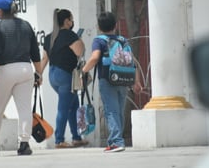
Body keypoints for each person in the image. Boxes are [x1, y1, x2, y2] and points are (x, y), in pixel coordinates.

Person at [0, 0, 42, 156]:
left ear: (0, 11)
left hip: (6, 70)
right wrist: (39, 73)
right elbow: (35, 53)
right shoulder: (26, 25)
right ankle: (24, 144)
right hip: (26, 69)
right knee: (24, 108)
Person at [81, 11, 141, 153]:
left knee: (111, 111)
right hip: (124, 78)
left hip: (107, 79)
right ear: (115, 25)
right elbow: (132, 61)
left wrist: (84, 70)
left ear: (99, 26)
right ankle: (117, 140)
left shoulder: (99, 40)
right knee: (119, 111)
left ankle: (116, 142)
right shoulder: (122, 40)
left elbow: (95, 58)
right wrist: (136, 81)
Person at [40, 8, 89, 149]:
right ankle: (59, 140)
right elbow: (80, 52)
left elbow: (45, 58)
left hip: (53, 74)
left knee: (72, 106)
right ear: (67, 21)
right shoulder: (69, 35)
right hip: (65, 75)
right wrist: (79, 39)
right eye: (71, 19)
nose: (72, 22)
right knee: (63, 108)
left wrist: (39, 75)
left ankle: (76, 137)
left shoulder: (50, 37)